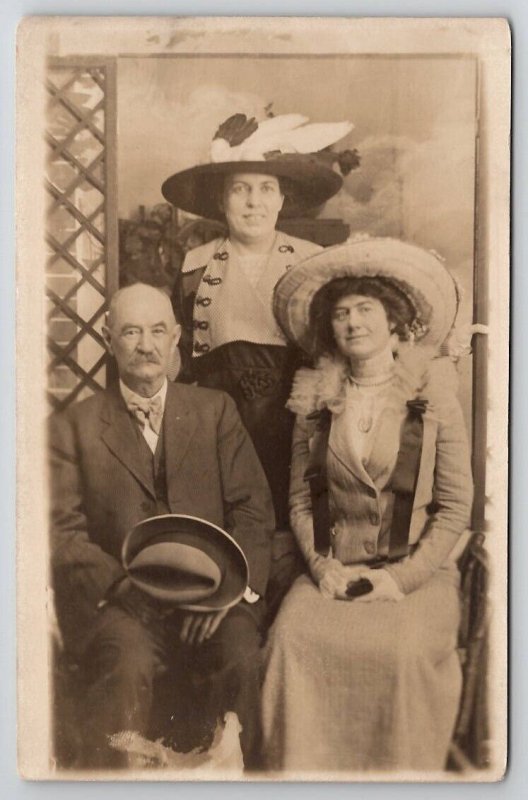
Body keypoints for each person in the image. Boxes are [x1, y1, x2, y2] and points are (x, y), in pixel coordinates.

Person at [261, 237, 474, 773]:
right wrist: (321, 566)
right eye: (340, 315)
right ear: (328, 329)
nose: (353, 323)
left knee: (399, 655)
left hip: (416, 575)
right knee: (289, 641)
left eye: (365, 310)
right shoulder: (313, 399)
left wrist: (401, 579)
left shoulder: (434, 393)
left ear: (395, 321)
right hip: (335, 568)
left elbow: (453, 507)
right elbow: (300, 503)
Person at [49, 282, 274, 769]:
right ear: (110, 339)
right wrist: (121, 586)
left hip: (215, 598)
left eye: (156, 331)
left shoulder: (215, 411)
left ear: (175, 339)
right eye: (131, 332)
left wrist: (229, 592)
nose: (145, 345)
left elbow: (252, 509)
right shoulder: (75, 425)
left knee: (240, 656)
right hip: (123, 602)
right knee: (125, 664)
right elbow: (62, 532)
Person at [162, 112, 358, 531]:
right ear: (221, 201)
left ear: (283, 199)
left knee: (297, 527)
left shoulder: (312, 261)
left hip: (297, 425)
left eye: (267, 189)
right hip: (219, 427)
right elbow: (181, 356)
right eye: (241, 189)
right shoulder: (195, 266)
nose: (255, 202)